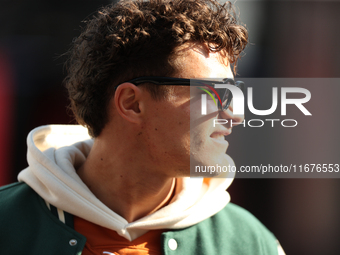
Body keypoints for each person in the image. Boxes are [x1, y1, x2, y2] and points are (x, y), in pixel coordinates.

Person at [0, 0, 285, 254]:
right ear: (132, 103)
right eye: (213, 95)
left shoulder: (250, 243)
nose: (234, 116)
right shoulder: (8, 226)